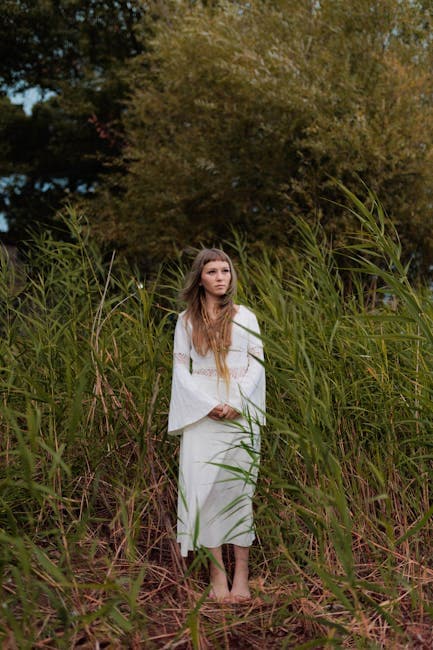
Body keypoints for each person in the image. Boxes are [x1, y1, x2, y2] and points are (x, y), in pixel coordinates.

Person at [168, 248, 266, 602]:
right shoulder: (186, 321)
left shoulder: (246, 317)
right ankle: (217, 578)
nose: (221, 277)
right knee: (205, 491)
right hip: (202, 415)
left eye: (226, 270)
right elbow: (181, 369)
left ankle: (242, 575)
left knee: (239, 492)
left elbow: (257, 365)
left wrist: (237, 403)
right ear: (200, 278)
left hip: (239, 413)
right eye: (213, 271)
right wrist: (208, 405)